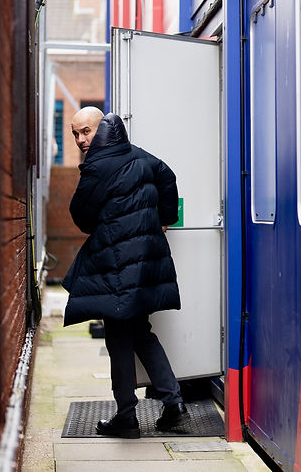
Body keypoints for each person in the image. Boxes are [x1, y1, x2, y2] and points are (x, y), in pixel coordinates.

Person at [61, 107, 190, 438]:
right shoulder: (138, 155)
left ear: (102, 126)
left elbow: (81, 216)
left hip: (117, 264)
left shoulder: (97, 167)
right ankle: (173, 404)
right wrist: (164, 218)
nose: (81, 140)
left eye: (86, 131)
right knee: (140, 331)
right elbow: (168, 176)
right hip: (146, 261)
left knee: (118, 336)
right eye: (76, 133)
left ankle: (126, 415)